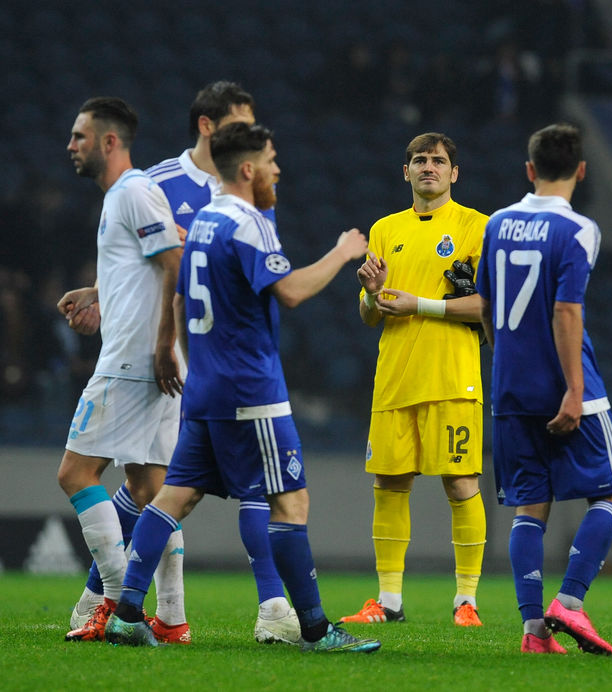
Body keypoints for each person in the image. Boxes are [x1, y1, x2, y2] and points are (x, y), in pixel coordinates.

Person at [103, 122, 380, 654]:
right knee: (290, 502)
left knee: (174, 498)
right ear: (249, 168)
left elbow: (180, 298)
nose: (278, 170)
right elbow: (292, 292)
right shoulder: (249, 222)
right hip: (252, 390)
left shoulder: (203, 220)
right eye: (272, 160)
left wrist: (191, 357)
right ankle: (317, 630)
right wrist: (343, 252)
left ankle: (126, 613)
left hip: (205, 386)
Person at [143, 80, 298, 644]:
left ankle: (121, 604)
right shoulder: (159, 183)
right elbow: (143, 264)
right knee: (151, 484)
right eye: (240, 126)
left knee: (180, 490)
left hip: (210, 369)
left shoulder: (248, 198)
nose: (253, 140)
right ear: (209, 127)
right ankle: (108, 597)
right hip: (180, 366)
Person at [476, 122, 612, 656]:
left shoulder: (495, 224)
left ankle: (533, 631)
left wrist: (510, 367)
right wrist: (573, 390)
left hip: (510, 387)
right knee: (610, 492)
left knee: (528, 507)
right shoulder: (580, 230)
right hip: (565, 384)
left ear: (529, 169)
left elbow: (488, 310)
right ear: (582, 171)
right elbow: (567, 309)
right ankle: (572, 602)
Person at [58, 97, 190, 644]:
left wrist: (162, 345)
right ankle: (174, 616)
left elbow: (175, 260)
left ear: (110, 141)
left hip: (134, 362)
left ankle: (116, 604)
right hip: (149, 359)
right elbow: (157, 256)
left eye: (80, 137)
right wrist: (99, 293)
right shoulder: (123, 197)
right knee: (148, 490)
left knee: (75, 474)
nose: (71, 146)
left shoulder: (132, 191)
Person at [342, 133, 488, 628]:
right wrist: (371, 294)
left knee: (461, 481)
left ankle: (465, 601)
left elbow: (486, 307)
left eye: (439, 161)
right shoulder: (385, 229)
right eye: (420, 160)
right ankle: (388, 601)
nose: (429, 167)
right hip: (394, 376)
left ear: (454, 173)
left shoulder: (477, 227)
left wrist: (417, 304)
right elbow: (370, 314)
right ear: (405, 172)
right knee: (389, 481)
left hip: (452, 375)